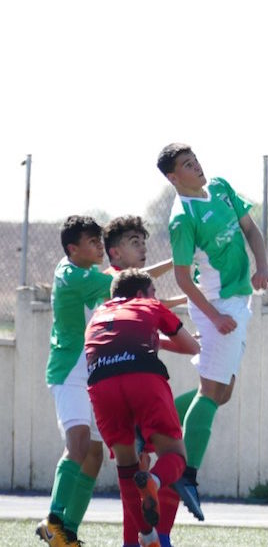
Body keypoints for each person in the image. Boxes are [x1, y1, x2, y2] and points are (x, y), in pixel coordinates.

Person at [156, 143, 268, 521]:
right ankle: (186, 474)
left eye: (195, 161)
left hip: (237, 302)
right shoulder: (182, 218)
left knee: (222, 393)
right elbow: (181, 277)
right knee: (211, 391)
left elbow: (251, 229)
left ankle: (152, 426)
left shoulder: (220, 187)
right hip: (217, 305)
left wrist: (262, 266)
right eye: (187, 165)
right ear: (174, 177)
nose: (197, 167)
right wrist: (215, 316)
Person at [84, 269, 199, 547]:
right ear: (140, 294)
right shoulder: (149, 306)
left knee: (126, 465)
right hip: (143, 377)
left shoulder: (98, 315)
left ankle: (146, 537)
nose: (156, 298)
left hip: (101, 382)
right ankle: (154, 481)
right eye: (153, 292)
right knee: (175, 455)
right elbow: (191, 347)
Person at [101, 215, 188, 547]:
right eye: (134, 242)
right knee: (137, 466)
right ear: (115, 252)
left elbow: (151, 309)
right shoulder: (111, 280)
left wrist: (186, 298)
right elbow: (150, 301)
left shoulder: (132, 292)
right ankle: (139, 539)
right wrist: (180, 262)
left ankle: (142, 539)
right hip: (113, 381)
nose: (142, 247)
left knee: (137, 467)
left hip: (112, 381)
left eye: (144, 241)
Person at [36, 216, 113, 547]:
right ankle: (52, 520)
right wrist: (177, 265)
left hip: (92, 373)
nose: (100, 247)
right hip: (69, 371)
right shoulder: (71, 274)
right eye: (92, 242)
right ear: (73, 249)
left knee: (94, 455)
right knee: (78, 443)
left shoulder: (88, 274)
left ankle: (67, 533)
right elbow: (126, 281)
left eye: (100, 240)